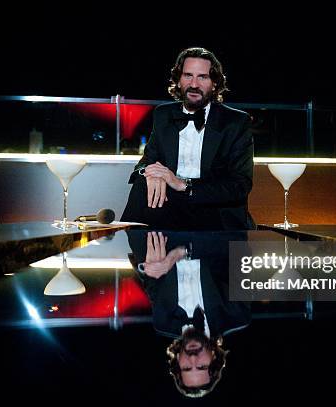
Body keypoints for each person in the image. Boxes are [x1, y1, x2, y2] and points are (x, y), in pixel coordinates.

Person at [120, 47, 255, 230]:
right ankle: (135, 253)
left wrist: (184, 185)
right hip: (169, 204)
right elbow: (146, 162)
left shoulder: (236, 122)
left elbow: (240, 186)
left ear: (214, 83)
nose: (194, 84)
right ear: (178, 80)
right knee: (142, 185)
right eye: (187, 75)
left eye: (203, 77)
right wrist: (150, 174)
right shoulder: (163, 114)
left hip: (214, 210)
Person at [126, 229, 251, 397]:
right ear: (214, 358)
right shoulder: (236, 315)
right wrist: (182, 252)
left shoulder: (163, 322)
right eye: (201, 366)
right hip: (212, 216)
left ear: (177, 361)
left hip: (163, 227)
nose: (193, 359)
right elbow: (240, 243)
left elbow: (148, 270)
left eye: (186, 367)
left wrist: (148, 267)